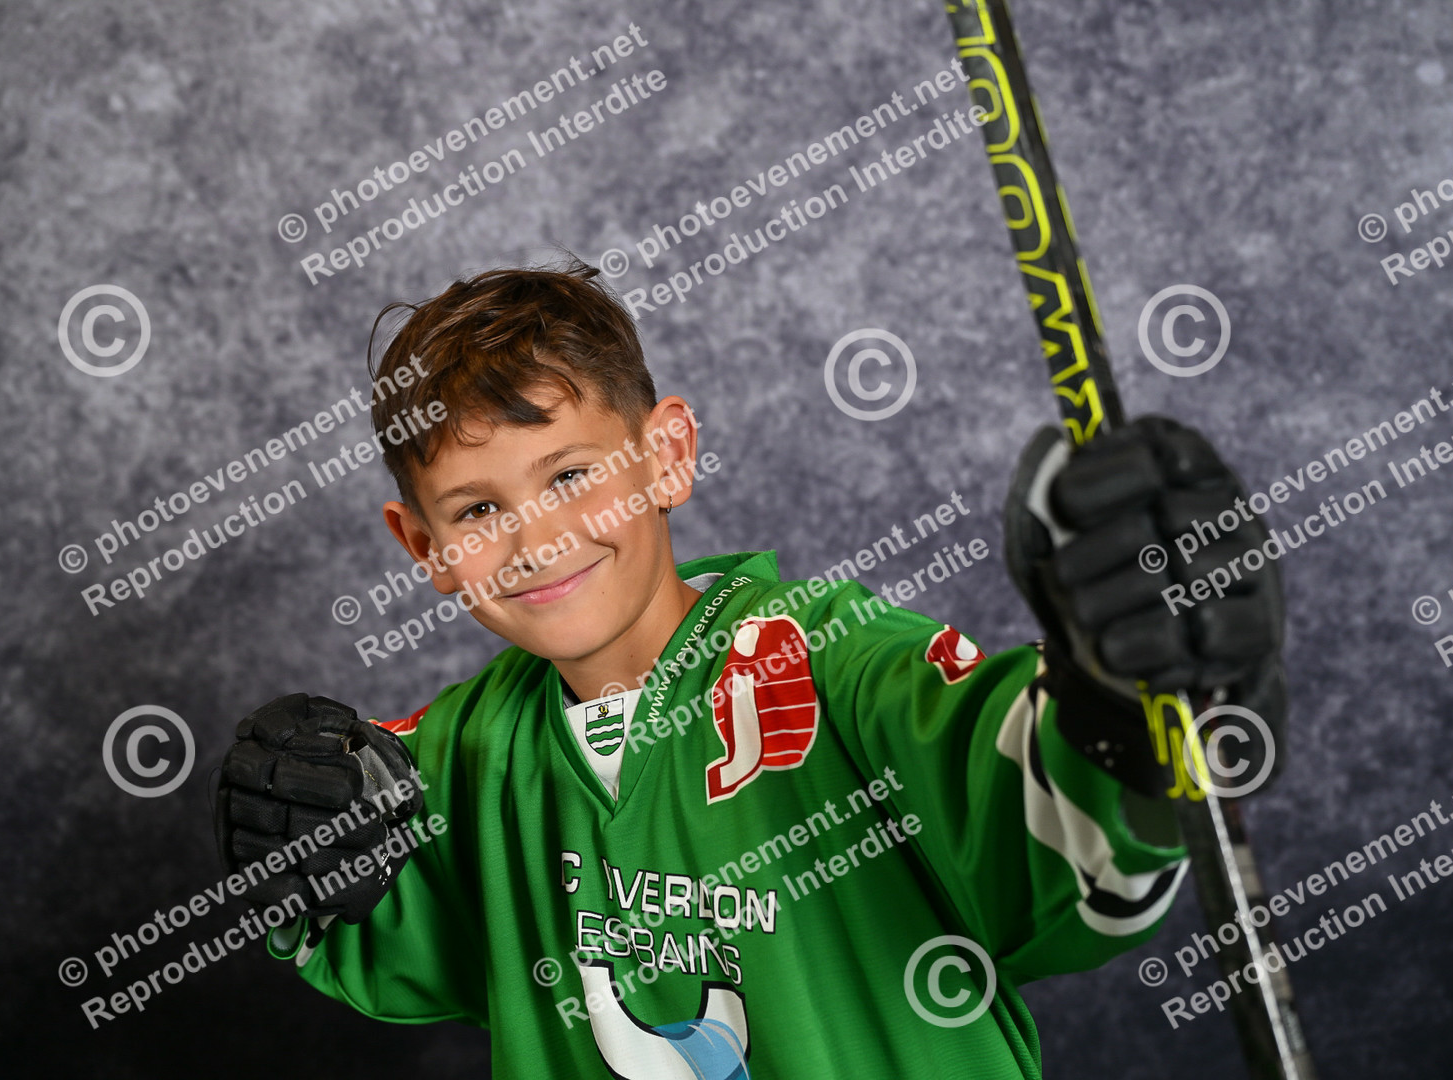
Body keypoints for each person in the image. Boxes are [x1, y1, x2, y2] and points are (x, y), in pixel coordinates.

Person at [212, 256, 1286, 1079]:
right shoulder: (462, 759)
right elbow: (387, 920)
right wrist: (305, 829)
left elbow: (1037, 798)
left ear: (667, 453)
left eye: (572, 475)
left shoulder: (835, 665)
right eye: (478, 510)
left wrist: (1118, 704)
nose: (537, 539)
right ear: (423, 547)